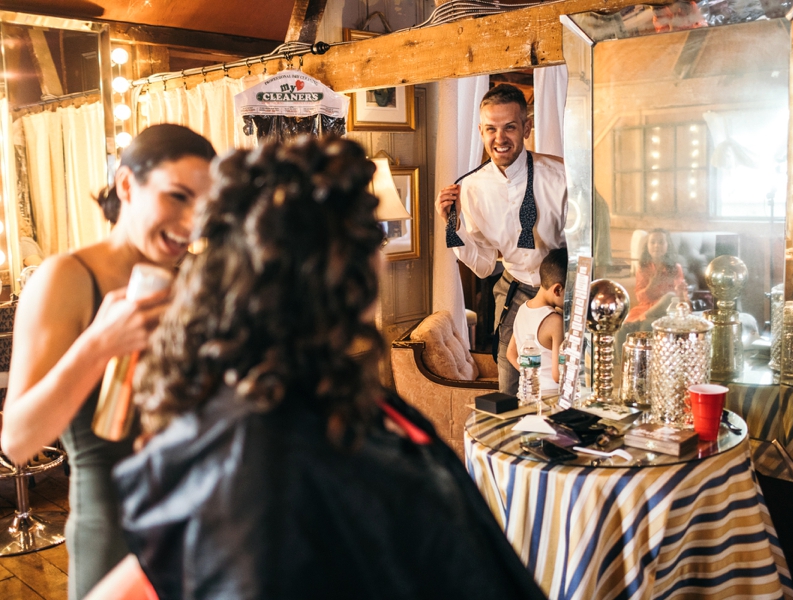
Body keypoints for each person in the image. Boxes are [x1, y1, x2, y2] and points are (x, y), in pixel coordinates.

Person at [86, 138, 548, 600]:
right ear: (338, 270)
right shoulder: (260, 454)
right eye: (372, 239)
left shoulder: (321, 395)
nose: (381, 257)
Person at [0, 124, 216, 600]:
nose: (192, 221)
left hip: (202, 531)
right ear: (126, 184)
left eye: (204, 205)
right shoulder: (67, 278)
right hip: (115, 535)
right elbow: (17, 441)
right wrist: (98, 344)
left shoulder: (199, 279)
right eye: (177, 196)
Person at [435, 83, 567, 397]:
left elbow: (589, 240)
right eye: (491, 129)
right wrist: (452, 225)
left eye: (509, 127)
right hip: (515, 292)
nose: (500, 138)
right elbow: (483, 264)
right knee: (511, 389)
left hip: (565, 293)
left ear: (526, 127)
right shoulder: (470, 189)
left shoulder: (561, 177)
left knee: (568, 385)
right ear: (481, 131)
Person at [507, 247, 567, 397]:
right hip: (551, 397)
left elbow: (511, 354)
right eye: (571, 292)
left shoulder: (522, 309)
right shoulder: (555, 321)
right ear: (557, 290)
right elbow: (557, 375)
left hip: (526, 395)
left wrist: (532, 377)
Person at [626, 228, 686, 324]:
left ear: (668, 245)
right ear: (647, 246)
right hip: (647, 309)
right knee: (644, 326)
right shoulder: (643, 268)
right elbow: (640, 298)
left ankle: (639, 321)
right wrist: (651, 285)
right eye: (652, 242)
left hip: (668, 311)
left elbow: (679, 299)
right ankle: (640, 320)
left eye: (661, 242)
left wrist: (681, 291)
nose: (657, 246)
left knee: (670, 296)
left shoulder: (675, 268)